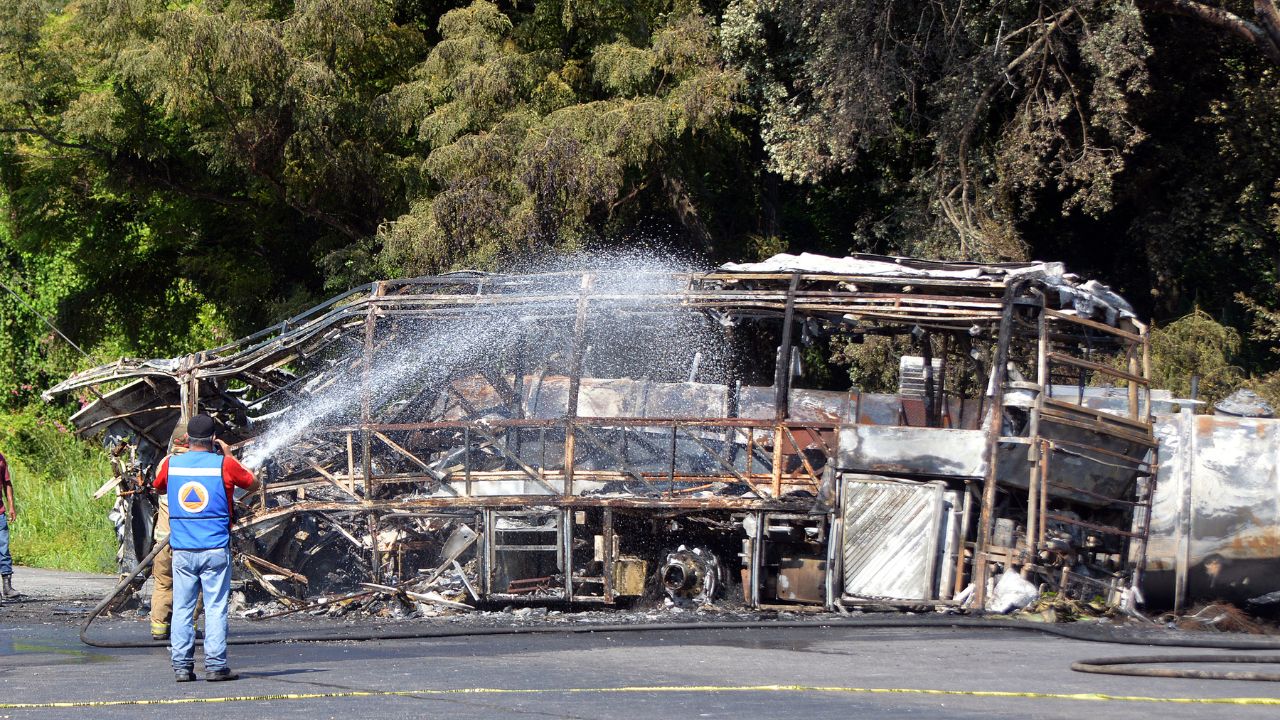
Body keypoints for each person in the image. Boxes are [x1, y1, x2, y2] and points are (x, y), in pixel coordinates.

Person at [153, 414, 257, 682]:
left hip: (183, 550)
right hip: (215, 549)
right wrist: (229, 455)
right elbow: (253, 483)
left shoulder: (172, 464)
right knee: (215, 608)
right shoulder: (224, 464)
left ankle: (181, 667)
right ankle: (215, 666)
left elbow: (159, 486)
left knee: (183, 608)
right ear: (213, 439)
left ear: (187, 438)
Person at [0, 449, 15, 599]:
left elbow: (7, 483)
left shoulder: (1, 460)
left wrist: (11, 506)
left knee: (3, 549)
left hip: (0, 513)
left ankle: (7, 586)